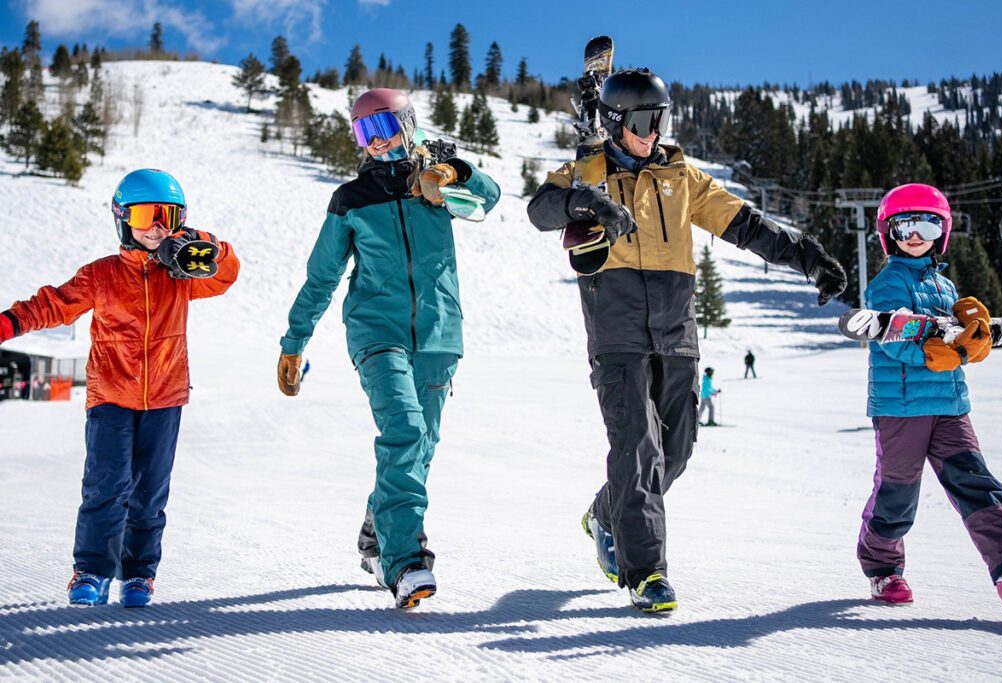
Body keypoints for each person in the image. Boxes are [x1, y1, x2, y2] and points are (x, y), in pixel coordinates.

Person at [527, 67, 847, 613]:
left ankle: (608, 512)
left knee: (676, 451)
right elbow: (540, 209)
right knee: (638, 448)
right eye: (643, 120)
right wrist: (584, 203)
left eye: (661, 119)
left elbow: (748, 225)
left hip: (677, 336)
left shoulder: (682, 179)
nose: (653, 131)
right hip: (618, 335)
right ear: (613, 121)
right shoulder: (587, 170)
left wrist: (808, 256)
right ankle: (645, 573)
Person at [277, 88, 500, 609]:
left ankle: (377, 533)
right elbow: (320, 278)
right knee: (404, 429)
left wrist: (453, 173)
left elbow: (489, 197)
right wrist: (294, 343)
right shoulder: (351, 200)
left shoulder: (437, 181)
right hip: (377, 332)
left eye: (383, 129)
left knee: (421, 445)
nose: (375, 144)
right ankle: (405, 563)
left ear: (408, 124)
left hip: (440, 334)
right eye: (363, 134)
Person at [0, 169, 240, 607]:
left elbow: (226, 273)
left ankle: (138, 574)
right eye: (146, 215)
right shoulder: (102, 275)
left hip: (165, 399)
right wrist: (10, 322)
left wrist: (202, 243)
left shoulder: (183, 275)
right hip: (110, 397)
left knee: (150, 494)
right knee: (106, 487)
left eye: (168, 216)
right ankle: (91, 570)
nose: (156, 226)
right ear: (122, 218)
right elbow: (54, 304)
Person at [857, 183, 1002, 612]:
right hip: (902, 408)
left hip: (950, 407)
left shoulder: (947, 289)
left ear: (942, 231)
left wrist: (973, 342)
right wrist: (935, 351)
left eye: (927, 223)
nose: (916, 234)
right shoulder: (886, 284)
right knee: (898, 493)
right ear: (888, 232)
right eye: (905, 224)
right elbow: (895, 335)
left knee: (977, 483)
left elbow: (955, 346)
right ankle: (883, 568)